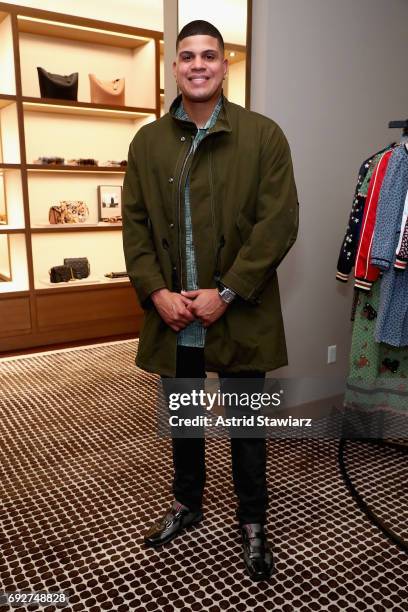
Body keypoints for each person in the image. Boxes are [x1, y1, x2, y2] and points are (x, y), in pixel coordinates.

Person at [122, 19, 298, 581]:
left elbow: (278, 224)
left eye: (209, 56)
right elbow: (135, 226)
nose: (198, 65)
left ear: (225, 66)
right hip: (176, 317)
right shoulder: (147, 141)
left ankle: (252, 521)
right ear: (175, 67)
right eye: (187, 57)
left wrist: (226, 292)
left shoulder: (264, 135)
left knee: (248, 428)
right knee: (184, 421)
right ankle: (187, 505)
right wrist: (156, 293)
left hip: (237, 311)